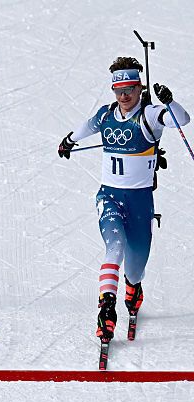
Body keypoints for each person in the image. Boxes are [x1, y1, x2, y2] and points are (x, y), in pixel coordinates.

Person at [58, 57, 189, 341]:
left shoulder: (150, 115)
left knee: (136, 264)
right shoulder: (106, 115)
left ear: (139, 88)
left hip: (140, 202)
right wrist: (68, 141)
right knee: (114, 246)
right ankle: (106, 308)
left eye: (129, 89)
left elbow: (182, 120)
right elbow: (87, 127)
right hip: (110, 197)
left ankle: (134, 286)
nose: (124, 96)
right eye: (119, 91)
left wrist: (169, 102)